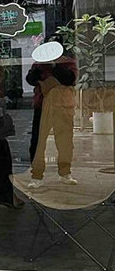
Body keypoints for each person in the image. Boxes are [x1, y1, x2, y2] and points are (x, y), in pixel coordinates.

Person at [28, 55, 78, 189]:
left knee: (65, 141)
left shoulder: (67, 62)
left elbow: (70, 79)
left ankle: (65, 172)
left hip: (62, 106)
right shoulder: (39, 62)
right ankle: (36, 176)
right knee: (38, 141)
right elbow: (30, 79)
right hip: (42, 105)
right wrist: (38, 70)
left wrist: (55, 66)